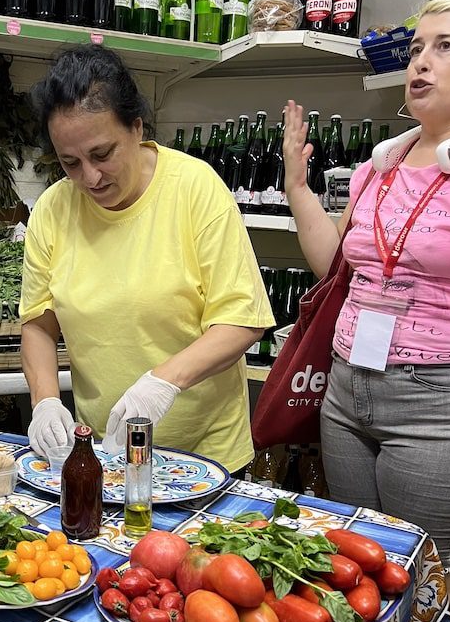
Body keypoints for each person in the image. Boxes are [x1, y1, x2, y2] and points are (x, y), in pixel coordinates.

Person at [283, 0, 450, 622]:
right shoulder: (379, 166)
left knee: (438, 575)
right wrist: (300, 189)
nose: (421, 62)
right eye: (418, 47)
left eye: (446, 46)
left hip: (445, 405)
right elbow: (337, 263)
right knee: (363, 564)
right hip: (347, 391)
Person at [19, 45, 274, 475]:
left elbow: (242, 320)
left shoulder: (195, 188)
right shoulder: (53, 209)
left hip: (202, 456)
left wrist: (163, 382)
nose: (90, 177)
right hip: (105, 452)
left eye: (102, 154)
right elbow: (39, 323)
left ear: (136, 128)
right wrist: (44, 400)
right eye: (70, 163)